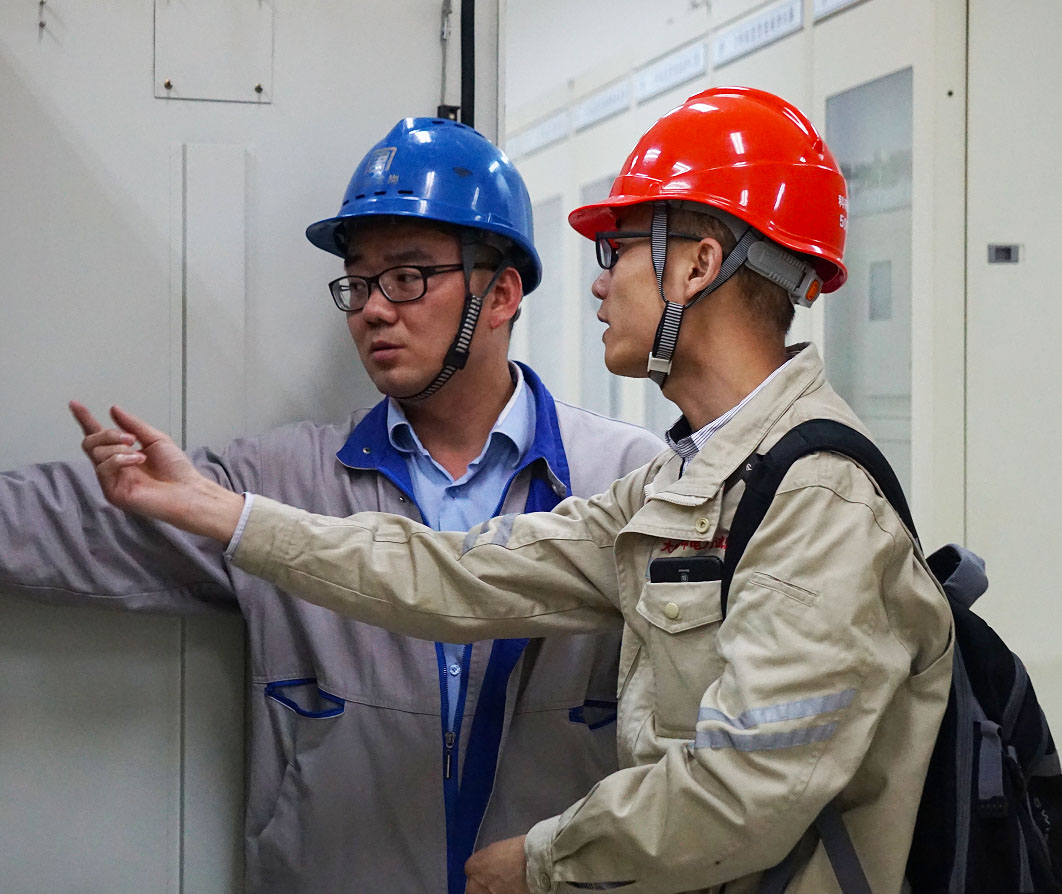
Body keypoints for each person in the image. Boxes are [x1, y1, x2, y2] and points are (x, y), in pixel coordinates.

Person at [69, 88, 954, 893]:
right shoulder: (687, 482)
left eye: (617, 249)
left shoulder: (820, 501)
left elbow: (746, 791)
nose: (599, 281)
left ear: (697, 266)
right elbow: (463, 573)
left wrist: (544, 862)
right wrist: (220, 511)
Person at [0, 117, 664, 893]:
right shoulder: (285, 483)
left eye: (406, 277)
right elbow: (68, 520)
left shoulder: (623, 480)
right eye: (358, 284)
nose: (372, 310)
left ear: (499, 294)